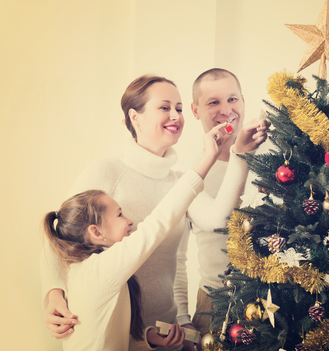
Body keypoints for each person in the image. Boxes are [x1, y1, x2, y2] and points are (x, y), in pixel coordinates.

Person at [40, 75, 269, 350]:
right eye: (164, 107)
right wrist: (54, 294)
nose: (175, 115)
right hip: (111, 327)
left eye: (180, 108)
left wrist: (240, 152)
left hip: (161, 331)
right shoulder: (106, 171)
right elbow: (60, 234)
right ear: (135, 117)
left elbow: (217, 220)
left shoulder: (179, 178)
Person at [41, 121, 231, 350]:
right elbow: (158, 223)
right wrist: (209, 157)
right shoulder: (100, 271)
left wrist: (148, 337)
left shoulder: (90, 271)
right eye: (120, 215)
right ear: (96, 231)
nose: (130, 220)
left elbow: (113, 335)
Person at [174, 68, 269, 347]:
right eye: (213, 102)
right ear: (195, 110)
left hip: (275, 298)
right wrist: (182, 316)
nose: (226, 110)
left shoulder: (274, 162)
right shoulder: (189, 174)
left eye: (232, 99)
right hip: (215, 303)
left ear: (243, 101)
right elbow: (176, 257)